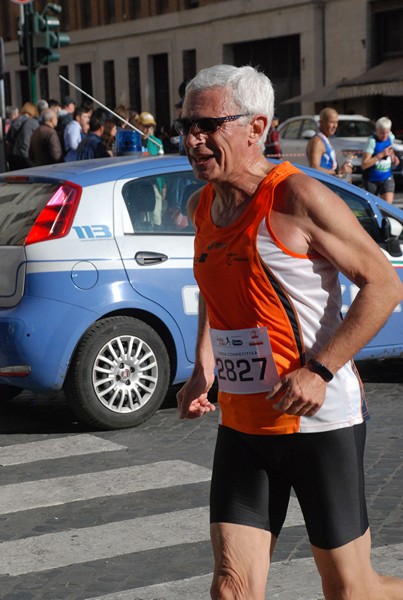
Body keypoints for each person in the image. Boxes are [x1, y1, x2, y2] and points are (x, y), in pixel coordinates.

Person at [175, 64, 403, 600]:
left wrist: (319, 369)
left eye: (208, 126)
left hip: (317, 422)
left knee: (352, 590)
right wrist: (202, 366)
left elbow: (384, 286)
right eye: (186, 124)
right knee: (232, 591)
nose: (192, 139)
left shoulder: (297, 198)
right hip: (243, 422)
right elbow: (216, 287)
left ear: (256, 128)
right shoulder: (201, 206)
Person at [361, 116, 400, 204]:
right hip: (371, 179)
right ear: (376, 130)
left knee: (387, 207)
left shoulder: (390, 137)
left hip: (386, 176)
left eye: (387, 132)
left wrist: (393, 156)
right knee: (372, 207)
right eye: (382, 133)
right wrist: (381, 154)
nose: (384, 136)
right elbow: (364, 164)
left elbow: (389, 149)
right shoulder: (372, 141)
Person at [307, 107, 352, 179]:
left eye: (336, 122)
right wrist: (338, 172)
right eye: (331, 122)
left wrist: (341, 170)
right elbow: (314, 168)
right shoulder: (317, 142)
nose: (335, 126)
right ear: (321, 122)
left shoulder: (325, 139)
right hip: (322, 184)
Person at [6, 102, 39, 170]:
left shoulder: (15, 122)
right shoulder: (33, 122)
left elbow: (9, 138)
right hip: (27, 155)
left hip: (15, 155)